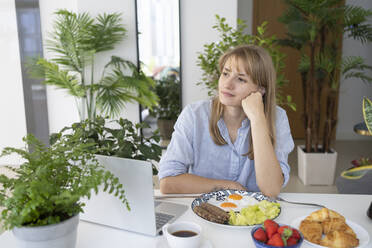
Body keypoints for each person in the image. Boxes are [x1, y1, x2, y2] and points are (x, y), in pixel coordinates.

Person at [158, 45, 294, 197]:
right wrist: (226, 186)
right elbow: (167, 182)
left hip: (254, 216)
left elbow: (271, 190)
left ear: (261, 89)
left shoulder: (278, 118)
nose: (227, 85)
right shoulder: (194, 115)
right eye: (225, 73)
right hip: (203, 212)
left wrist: (257, 119)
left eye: (241, 79)